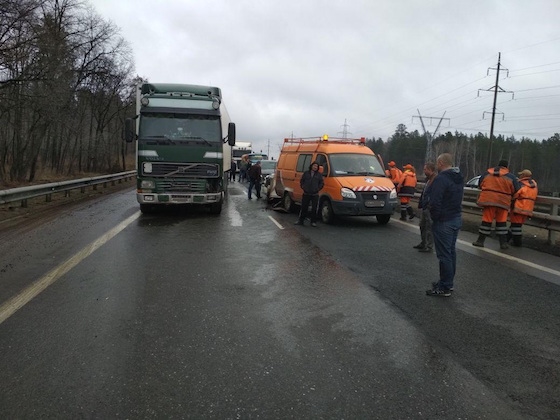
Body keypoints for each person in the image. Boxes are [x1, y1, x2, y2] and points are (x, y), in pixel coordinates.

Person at [426, 153, 464, 297]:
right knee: (450, 252)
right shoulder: (458, 177)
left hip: (444, 220)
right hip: (455, 217)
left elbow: (435, 201)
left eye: (437, 162)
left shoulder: (441, 179)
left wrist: (435, 217)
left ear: (441, 163)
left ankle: (445, 286)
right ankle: (448, 282)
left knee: (444, 255)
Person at [472, 160, 520, 249]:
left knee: (486, 221)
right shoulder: (511, 177)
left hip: (488, 200)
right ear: (506, 167)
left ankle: (480, 241)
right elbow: (516, 190)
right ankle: (503, 243)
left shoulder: (487, 173)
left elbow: (480, 184)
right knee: (502, 222)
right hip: (503, 202)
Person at [508, 169, 538, 247]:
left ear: (523, 176)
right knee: (517, 225)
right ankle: (506, 238)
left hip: (519, 207)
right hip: (528, 208)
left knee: (516, 226)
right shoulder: (534, 185)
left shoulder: (520, 184)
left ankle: (517, 243)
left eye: (521, 174)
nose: (520, 176)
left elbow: (515, 194)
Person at [414, 162, 436, 252]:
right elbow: (425, 193)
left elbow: (434, 194)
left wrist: (430, 205)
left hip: (429, 207)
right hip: (425, 206)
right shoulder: (428, 180)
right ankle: (423, 243)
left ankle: (429, 246)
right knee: (422, 225)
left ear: (430, 170)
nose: (424, 171)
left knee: (429, 227)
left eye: (425, 169)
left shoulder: (435, 180)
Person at [295, 161, 324, 227]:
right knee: (304, 207)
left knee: (314, 208)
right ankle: (301, 221)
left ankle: (313, 222)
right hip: (306, 193)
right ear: (311, 166)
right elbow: (302, 181)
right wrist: (303, 187)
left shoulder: (319, 175)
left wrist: (317, 189)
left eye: (316, 166)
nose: (315, 167)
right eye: (314, 166)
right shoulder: (306, 173)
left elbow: (321, 183)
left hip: (315, 194)